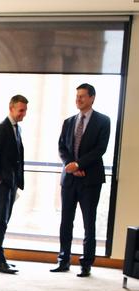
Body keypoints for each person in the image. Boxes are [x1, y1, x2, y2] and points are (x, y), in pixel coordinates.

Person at [51, 83, 111, 277]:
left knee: (88, 223)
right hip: (69, 179)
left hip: (90, 180)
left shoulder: (103, 121)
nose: (78, 100)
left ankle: (86, 263)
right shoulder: (69, 122)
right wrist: (71, 165)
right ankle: (63, 260)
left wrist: (79, 165)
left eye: (82, 96)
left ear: (92, 98)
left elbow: (100, 149)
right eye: (77, 96)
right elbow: (62, 147)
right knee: (66, 221)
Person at [0, 94, 28, 274]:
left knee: (4, 220)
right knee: (0, 221)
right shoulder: (2, 128)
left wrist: (16, 182)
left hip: (11, 183)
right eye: (21, 110)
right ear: (11, 108)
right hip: (2, 183)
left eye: (25, 110)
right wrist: (0, 179)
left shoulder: (16, 129)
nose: (24, 114)